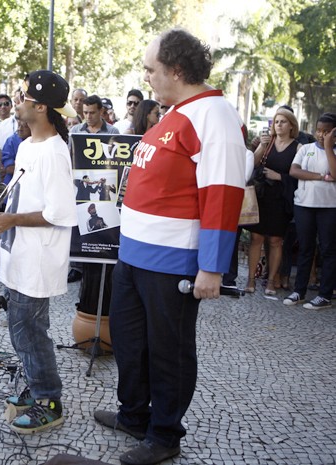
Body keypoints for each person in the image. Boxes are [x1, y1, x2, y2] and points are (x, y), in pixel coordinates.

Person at [94, 29, 246, 465]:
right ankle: (134, 415)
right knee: (128, 341)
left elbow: (221, 194)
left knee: (168, 350)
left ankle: (164, 434)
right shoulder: (176, 112)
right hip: (134, 254)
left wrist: (213, 268)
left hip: (172, 262)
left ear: (177, 70)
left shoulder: (213, 115)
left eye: (151, 69)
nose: (147, 77)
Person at [0, 69, 77, 434]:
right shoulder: (25, 145)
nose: (16, 103)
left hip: (38, 260)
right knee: (22, 329)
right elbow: (14, 199)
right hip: (16, 253)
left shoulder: (54, 152)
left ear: (40, 107)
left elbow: (60, 214)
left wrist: (11, 221)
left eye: (22, 99)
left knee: (29, 331)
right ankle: (37, 387)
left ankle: (48, 399)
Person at [244, 108, 300, 295]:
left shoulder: (298, 147)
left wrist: (280, 177)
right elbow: (253, 164)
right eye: (276, 121)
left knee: (276, 240)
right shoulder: (267, 143)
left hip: (281, 198)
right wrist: (261, 146)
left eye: (283, 122)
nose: (279, 125)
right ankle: (251, 279)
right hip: (262, 196)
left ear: (292, 125)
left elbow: (298, 177)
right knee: (256, 238)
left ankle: (270, 281)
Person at [284, 113, 336, 309]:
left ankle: (324, 295)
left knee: (328, 250)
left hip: (330, 207)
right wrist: (321, 176)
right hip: (304, 204)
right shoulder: (305, 148)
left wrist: (329, 146)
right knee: (305, 249)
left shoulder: (333, 150)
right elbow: (294, 171)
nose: (321, 135)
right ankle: (299, 291)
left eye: (327, 131)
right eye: (319, 130)